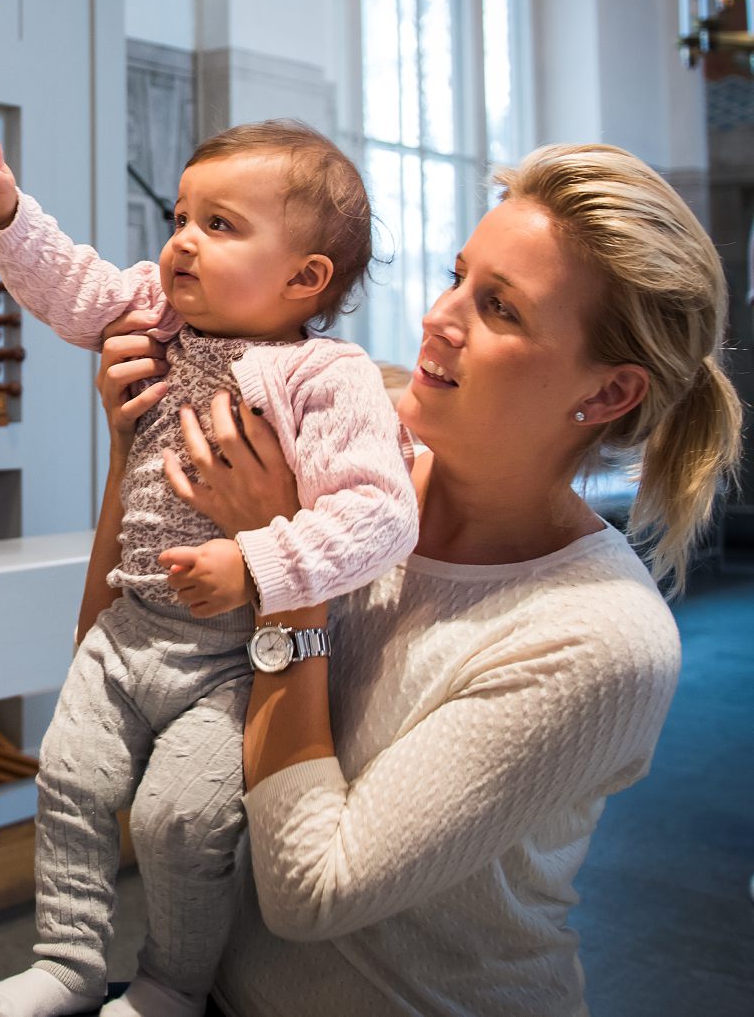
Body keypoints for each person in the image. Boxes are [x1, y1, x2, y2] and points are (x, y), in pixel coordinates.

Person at [93, 143, 738, 1016]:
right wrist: (133, 450)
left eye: (501, 308)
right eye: (458, 276)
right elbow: (117, 670)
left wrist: (287, 568)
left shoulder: (602, 639)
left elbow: (310, 893)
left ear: (609, 392)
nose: (439, 318)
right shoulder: (331, 455)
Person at [0, 118, 419, 1017]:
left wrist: (255, 561)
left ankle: (172, 983)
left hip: (231, 660)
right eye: (180, 217)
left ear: (305, 278)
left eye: (220, 225)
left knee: (181, 821)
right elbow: (73, 283)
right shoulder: (156, 319)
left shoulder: (326, 375)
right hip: (130, 629)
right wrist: (7, 217)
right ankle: (67, 961)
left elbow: (381, 513)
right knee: (69, 778)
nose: (180, 244)